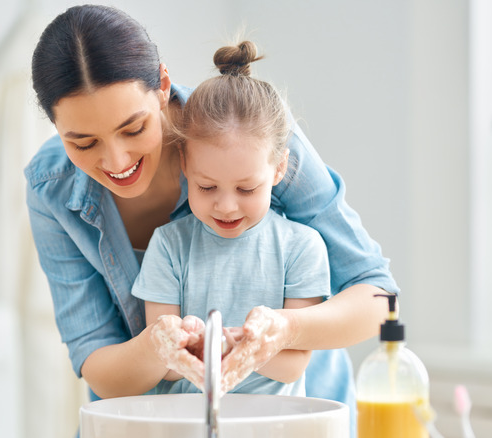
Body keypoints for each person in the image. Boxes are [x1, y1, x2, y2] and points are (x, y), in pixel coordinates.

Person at [25, 3, 399, 434]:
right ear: (55, 126)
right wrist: (155, 349)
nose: (116, 160)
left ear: (162, 85)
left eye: (133, 128)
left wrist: (286, 330)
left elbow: (378, 297)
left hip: (291, 419)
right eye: (83, 142)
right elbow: (96, 362)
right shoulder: (49, 186)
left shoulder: (252, 131)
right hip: (154, 423)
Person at [131, 40, 331, 398]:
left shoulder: (302, 247)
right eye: (207, 187)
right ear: (185, 164)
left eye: (246, 189)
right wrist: (189, 342)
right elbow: (167, 361)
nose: (226, 207)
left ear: (279, 168)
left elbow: (292, 366)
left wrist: (228, 345)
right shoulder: (169, 245)